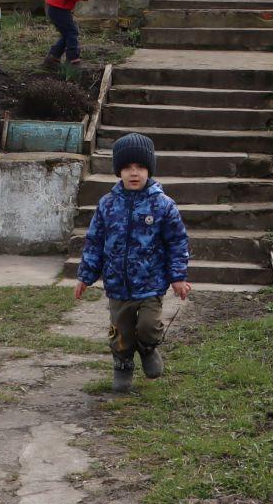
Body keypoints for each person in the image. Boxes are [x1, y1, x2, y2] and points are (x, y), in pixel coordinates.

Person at [74, 132, 191, 393]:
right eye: (127, 167)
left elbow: (177, 242)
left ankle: (148, 349)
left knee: (148, 326)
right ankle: (123, 365)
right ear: (119, 171)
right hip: (118, 284)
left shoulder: (163, 206)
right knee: (121, 332)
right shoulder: (107, 205)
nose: (134, 173)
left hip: (150, 283)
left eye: (140, 167)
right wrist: (85, 275)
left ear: (149, 169)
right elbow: (94, 242)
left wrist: (178, 277)